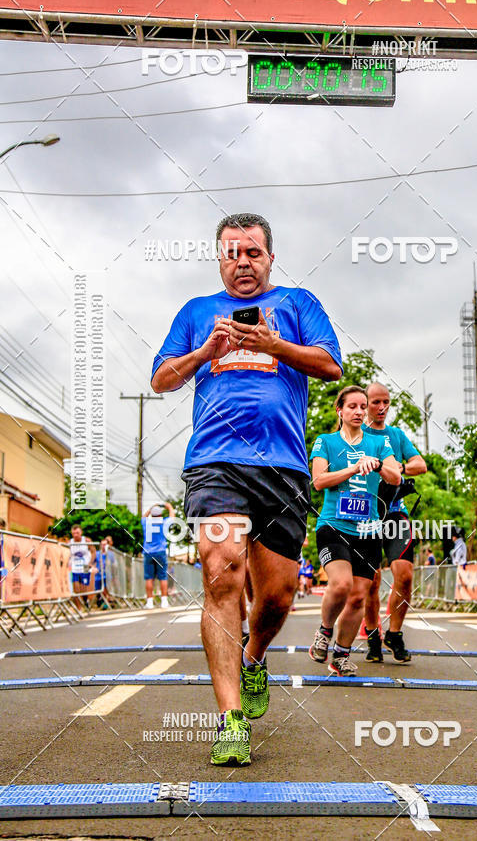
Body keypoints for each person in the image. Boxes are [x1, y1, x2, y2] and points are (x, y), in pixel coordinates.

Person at [151, 212, 341, 766]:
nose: (243, 262)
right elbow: (161, 379)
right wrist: (203, 354)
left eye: (253, 252)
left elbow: (331, 366)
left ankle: (254, 656)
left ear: (269, 258)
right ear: (219, 259)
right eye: (232, 253)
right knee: (222, 568)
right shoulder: (196, 311)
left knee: (276, 595)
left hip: (283, 468)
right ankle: (231, 719)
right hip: (215, 464)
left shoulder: (299, 304)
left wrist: (274, 343)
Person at [309, 385, 401, 675]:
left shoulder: (378, 442)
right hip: (333, 526)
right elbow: (319, 481)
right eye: (352, 406)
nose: (359, 411)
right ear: (340, 410)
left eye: (363, 406)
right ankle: (324, 631)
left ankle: (341, 654)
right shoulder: (326, 441)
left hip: (369, 529)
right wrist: (353, 468)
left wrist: (378, 466)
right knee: (341, 584)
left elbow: (396, 477)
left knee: (360, 595)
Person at [360, 383, 427, 664]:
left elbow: (420, 464)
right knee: (371, 580)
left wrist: (400, 467)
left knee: (405, 574)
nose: (382, 407)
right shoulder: (356, 434)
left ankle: (395, 634)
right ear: (365, 404)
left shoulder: (396, 435)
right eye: (376, 402)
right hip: (365, 514)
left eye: (386, 402)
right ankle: (373, 635)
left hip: (395, 512)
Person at [141, 502, 175, 609]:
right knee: (163, 576)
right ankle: (164, 601)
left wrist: (152, 507)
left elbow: (143, 516)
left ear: (152, 514)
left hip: (148, 552)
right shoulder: (164, 522)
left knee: (149, 578)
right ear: (160, 515)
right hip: (160, 552)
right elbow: (172, 517)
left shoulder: (146, 522)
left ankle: (149, 602)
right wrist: (169, 506)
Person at [69, 525, 94, 612]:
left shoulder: (86, 540)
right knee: (76, 588)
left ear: (81, 532)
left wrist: (90, 562)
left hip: (85, 566)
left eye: (77, 533)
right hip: (74, 567)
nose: (75, 535)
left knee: (84, 588)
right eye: (74, 533)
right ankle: (78, 609)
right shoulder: (70, 542)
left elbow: (93, 551)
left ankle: (85, 601)